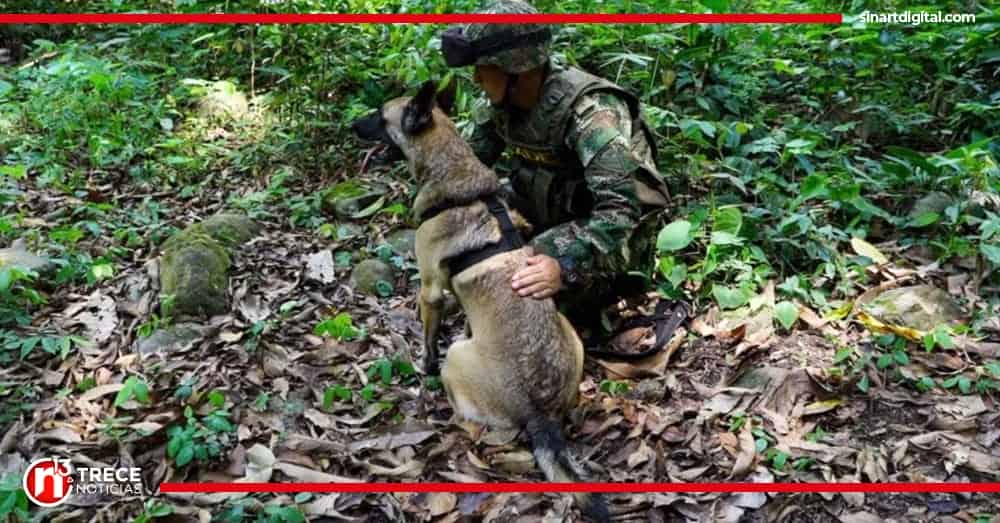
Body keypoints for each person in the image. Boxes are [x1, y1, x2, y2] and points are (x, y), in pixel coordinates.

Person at [440, 0, 671, 333]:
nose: (475, 77)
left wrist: (563, 266)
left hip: (610, 235)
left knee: (520, 283)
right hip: (547, 208)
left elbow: (621, 213)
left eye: (483, 67)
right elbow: (467, 172)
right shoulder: (500, 104)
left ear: (514, 68)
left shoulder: (592, 114)